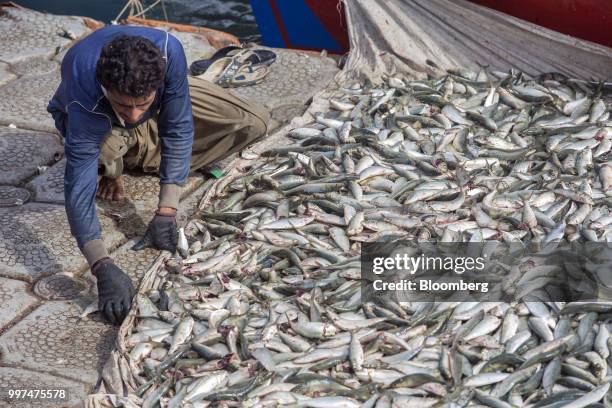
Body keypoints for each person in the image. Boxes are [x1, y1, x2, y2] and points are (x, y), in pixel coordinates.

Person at [47, 25, 270, 325]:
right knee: (91, 157)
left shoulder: (169, 51)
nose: (135, 115)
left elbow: (178, 128)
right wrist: (101, 264)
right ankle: (119, 158)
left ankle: (134, 154)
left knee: (254, 123)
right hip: (96, 120)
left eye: (143, 104)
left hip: (158, 103)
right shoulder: (84, 86)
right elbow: (77, 189)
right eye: (125, 105)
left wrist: (167, 209)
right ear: (105, 88)